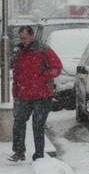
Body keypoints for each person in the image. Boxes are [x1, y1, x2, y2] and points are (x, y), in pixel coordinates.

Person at [9, 25, 63, 162]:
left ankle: (39, 155)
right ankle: (19, 151)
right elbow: (17, 73)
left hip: (42, 95)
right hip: (23, 94)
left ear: (32, 36)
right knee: (18, 123)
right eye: (21, 38)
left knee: (38, 125)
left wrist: (41, 79)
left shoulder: (43, 50)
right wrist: (15, 90)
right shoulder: (19, 51)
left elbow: (57, 67)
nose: (23, 41)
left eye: (25, 38)